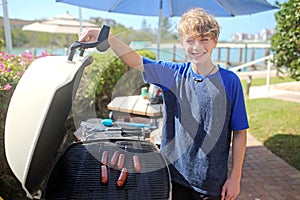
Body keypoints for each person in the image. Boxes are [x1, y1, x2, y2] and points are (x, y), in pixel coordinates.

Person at [78, 8, 248, 200]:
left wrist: (235, 177)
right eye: (190, 40)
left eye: (204, 40)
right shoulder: (172, 75)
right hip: (172, 175)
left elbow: (240, 132)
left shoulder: (230, 82)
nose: (197, 47)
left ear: (215, 41)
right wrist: (108, 37)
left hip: (211, 183)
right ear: (182, 44)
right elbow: (135, 61)